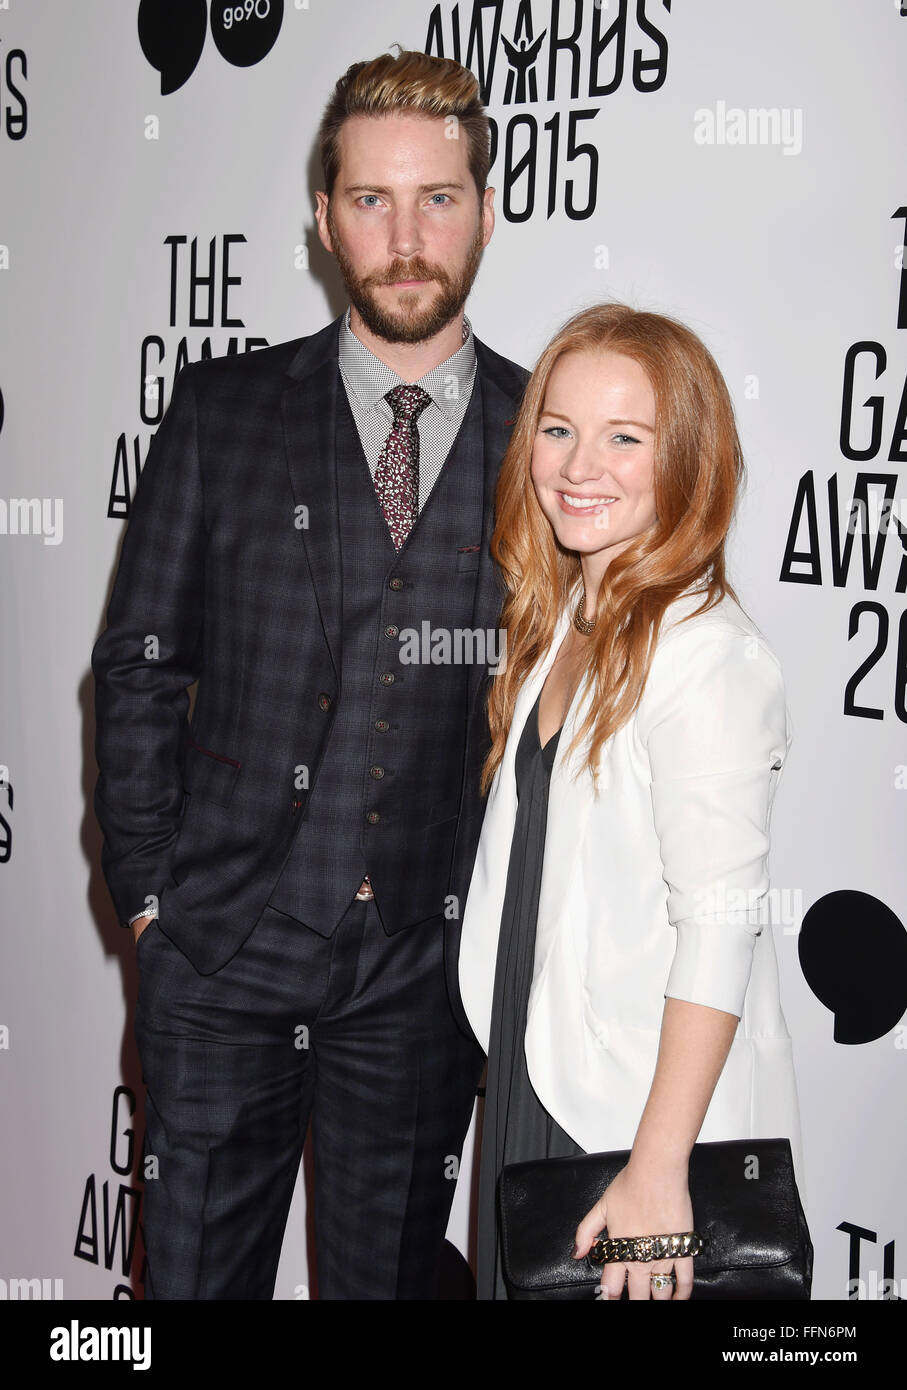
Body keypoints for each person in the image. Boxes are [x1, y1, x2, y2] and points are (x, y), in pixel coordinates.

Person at [91, 48, 529, 1300]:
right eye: (371, 200)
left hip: (419, 974)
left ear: (486, 211)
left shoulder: (542, 439)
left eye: (437, 197)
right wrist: (152, 906)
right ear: (325, 219)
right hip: (221, 952)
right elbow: (136, 664)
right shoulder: (223, 411)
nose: (405, 236)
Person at [457, 302, 807, 1300]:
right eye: (557, 430)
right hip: (540, 1077)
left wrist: (658, 1168)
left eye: (624, 437)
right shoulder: (570, 609)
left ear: (686, 460)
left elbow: (720, 926)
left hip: (627, 1115)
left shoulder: (705, 655)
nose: (578, 467)